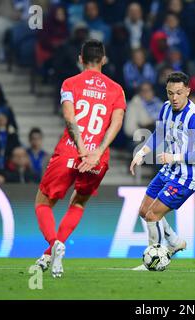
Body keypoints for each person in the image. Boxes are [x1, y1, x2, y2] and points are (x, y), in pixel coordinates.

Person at [34, 39, 126, 278]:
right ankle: (51, 252)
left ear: (80, 59)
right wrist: (96, 151)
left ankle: (54, 244)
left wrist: (82, 148)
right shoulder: (117, 89)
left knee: (43, 203)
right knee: (78, 203)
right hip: (98, 158)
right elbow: (117, 124)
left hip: (70, 151)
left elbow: (69, 118)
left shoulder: (70, 83)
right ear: (103, 60)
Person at [129, 71, 195, 271]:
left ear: (188, 91)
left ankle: (153, 262)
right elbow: (158, 134)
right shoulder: (165, 108)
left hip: (186, 176)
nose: (174, 98)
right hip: (169, 170)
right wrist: (142, 152)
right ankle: (173, 241)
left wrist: (174, 157)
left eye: (179, 93)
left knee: (152, 215)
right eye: (170, 93)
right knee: (143, 211)